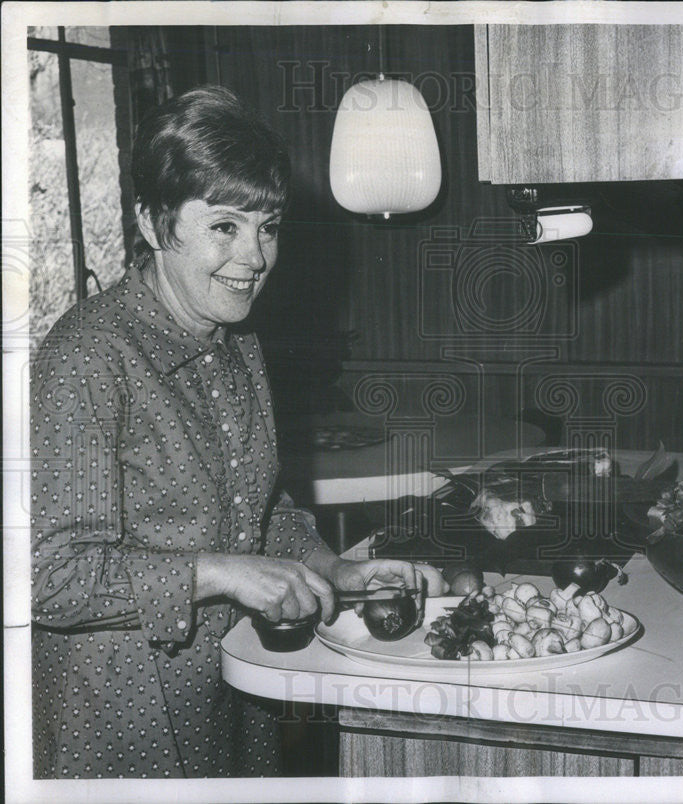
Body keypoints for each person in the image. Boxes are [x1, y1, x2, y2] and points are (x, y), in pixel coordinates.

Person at [30, 85, 446, 779]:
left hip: (232, 690)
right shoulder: (87, 356)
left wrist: (333, 568)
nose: (254, 257)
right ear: (151, 222)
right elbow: (49, 578)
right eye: (225, 226)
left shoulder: (236, 340)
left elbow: (258, 512)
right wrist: (220, 573)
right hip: (119, 721)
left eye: (269, 226)